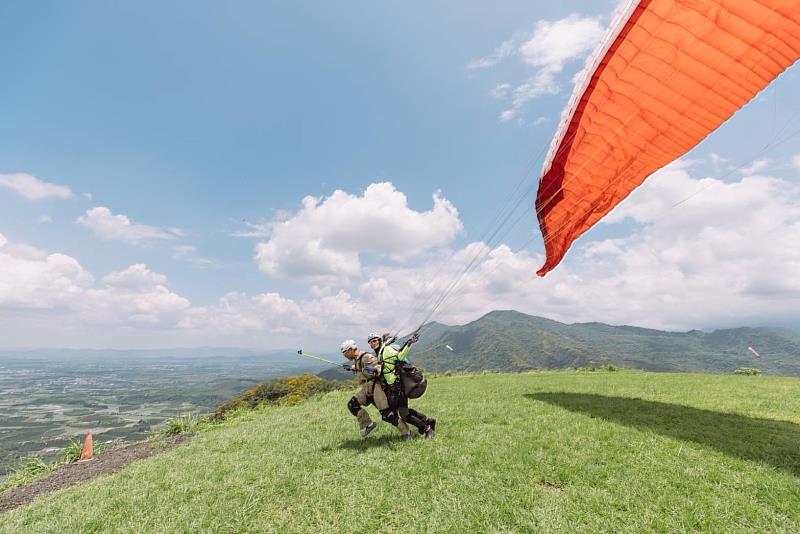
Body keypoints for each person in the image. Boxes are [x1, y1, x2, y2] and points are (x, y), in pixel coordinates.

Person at [367, 332, 436, 439]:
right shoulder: (380, 353)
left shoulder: (386, 350)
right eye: (370, 342)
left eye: (374, 340)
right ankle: (427, 421)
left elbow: (400, 356)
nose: (373, 343)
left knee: (404, 414)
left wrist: (409, 344)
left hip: (398, 386)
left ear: (379, 341)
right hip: (392, 387)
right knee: (402, 411)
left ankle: (427, 429)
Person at [340, 339, 411, 440]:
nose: (344, 355)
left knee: (387, 415)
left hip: (376, 387)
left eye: (345, 353)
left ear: (351, 350)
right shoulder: (358, 359)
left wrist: (375, 369)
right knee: (352, 404)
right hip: (366, 388)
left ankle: (406, 432)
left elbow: (378, 366)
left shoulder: (366, 357)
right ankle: (369, 425)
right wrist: (352, 368)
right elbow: (362, 367)